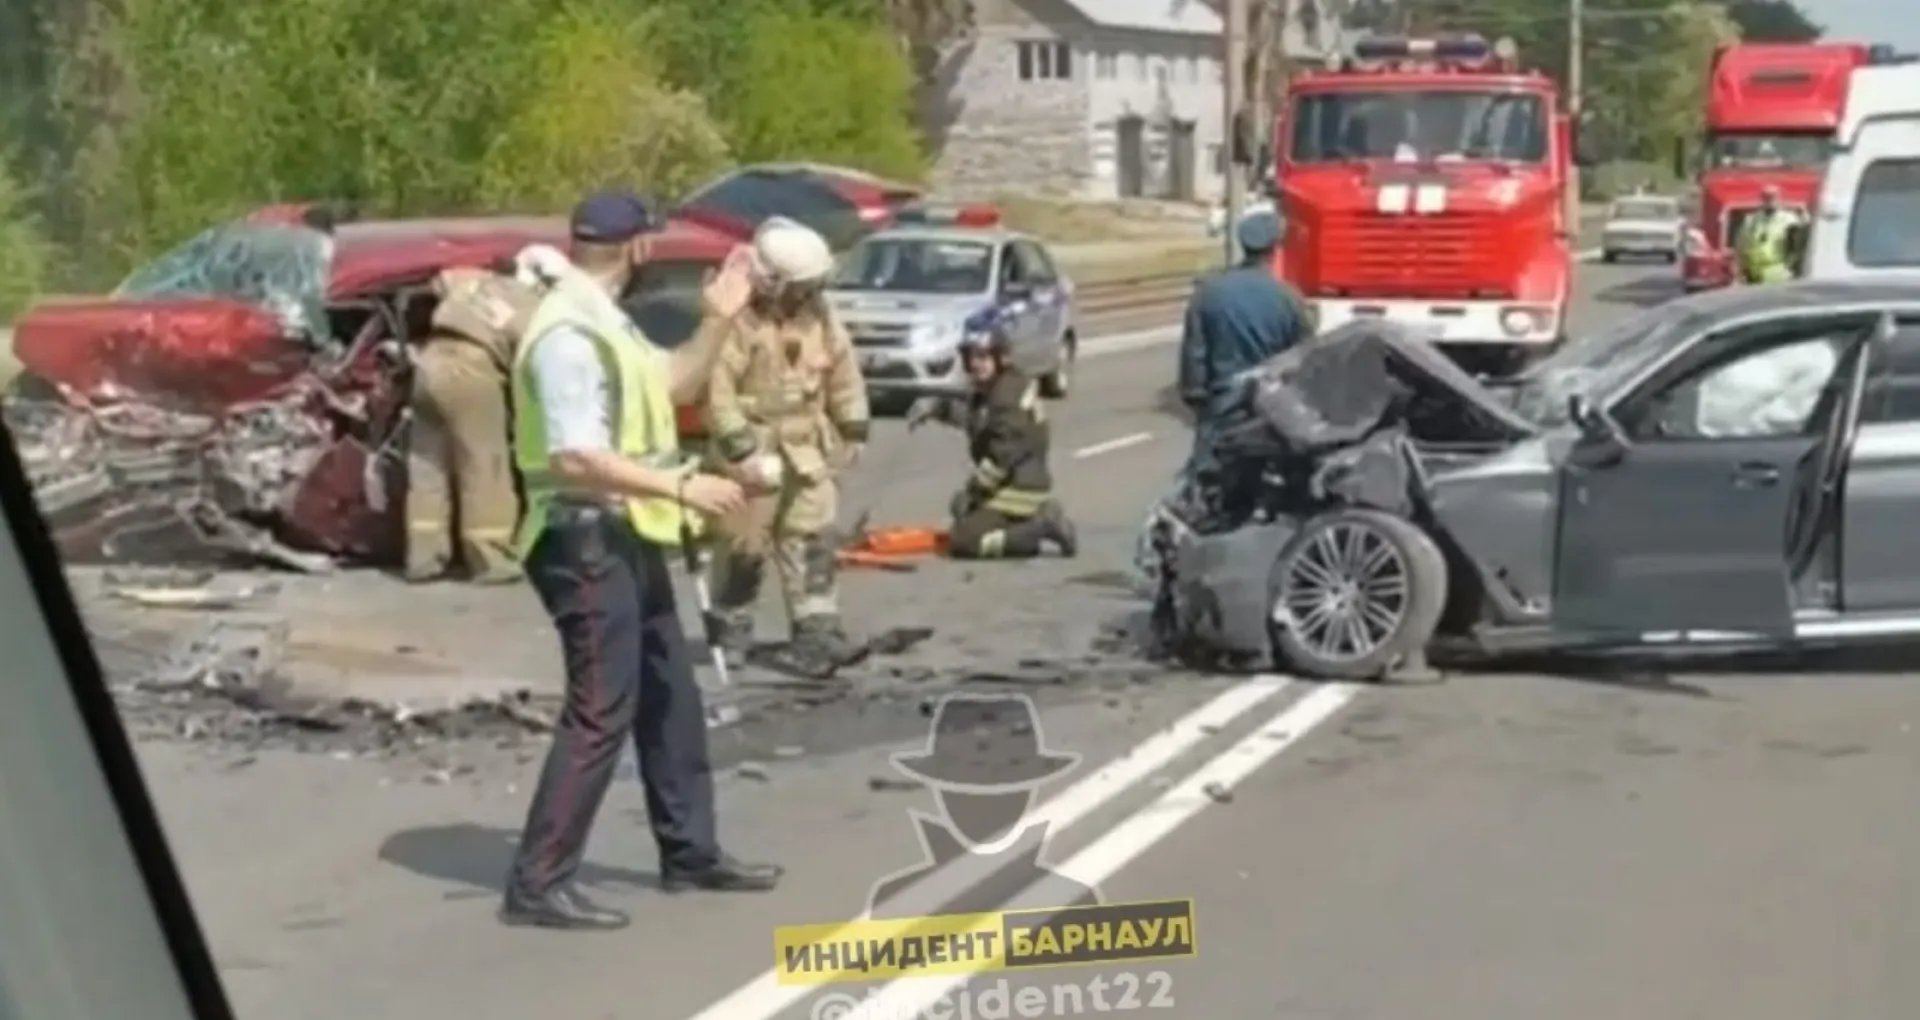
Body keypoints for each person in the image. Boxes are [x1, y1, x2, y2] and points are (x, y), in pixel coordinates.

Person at [501, 190, 782, 932]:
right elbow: (575, 454)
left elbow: (668, 385)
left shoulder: (601, 319)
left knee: (669, 695)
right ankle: (538, 881)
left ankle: (689, 853)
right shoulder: (568, 333)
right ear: (638, 249)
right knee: (600, 708)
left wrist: (721, 315)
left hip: (625, 530)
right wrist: (685, 486)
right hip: (582, 537)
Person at [702, 217, 870, 671]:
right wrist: (741, 451)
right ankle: (731, 632)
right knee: (744, 548)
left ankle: (817, 633)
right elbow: (717, 390)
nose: (808, 296)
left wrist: (852, 426)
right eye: (801, 287)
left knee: (813, 540)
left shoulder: (821, 316)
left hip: (806, 449)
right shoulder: (737, 321)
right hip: (753, 452)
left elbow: (842, 372)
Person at [403, 266, 536, 584]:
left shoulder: (473, 284)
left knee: (428, 465)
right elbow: (532, 348)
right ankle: (491, 558)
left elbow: (440, 280)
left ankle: (424, 556)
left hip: (428, 362)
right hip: (472, 366)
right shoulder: (525, 298)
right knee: (484, 462)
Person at [906, 322, 1077, 560]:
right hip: (1012, 482)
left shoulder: (1006, 396)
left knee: (963, 542)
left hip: (1018, 488)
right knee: (961, 510)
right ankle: (1029, 522)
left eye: (984, 356)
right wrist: (937, 407)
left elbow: (1001, 458)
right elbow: (974, 419)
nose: (976, 363)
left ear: (999, 357)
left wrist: (974, 491)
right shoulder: (998, 387)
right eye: (972, 357)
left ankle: (1037, 528)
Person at [1176, 210, 1313, 477]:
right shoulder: (1289, 299)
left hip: (1222, 409)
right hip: (1269, 412)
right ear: (1275, 251)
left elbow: (1194, 361)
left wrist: (1200, 403)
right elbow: (1303, 360)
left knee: (1203, 484)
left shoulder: (1208, 294)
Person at [1736, 185, 1807, 284]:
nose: (1769, 200)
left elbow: (1799, 248)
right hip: (1753, 276)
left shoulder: (1790, 220)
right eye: (1766, 197)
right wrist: (1741, 270)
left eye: (1773, 197)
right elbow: (1741, 246)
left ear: (1780, 198)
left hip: (1779, 275)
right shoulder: (1751, 220)